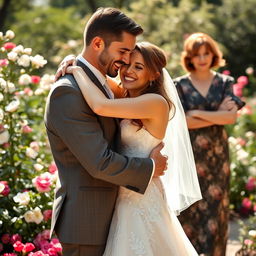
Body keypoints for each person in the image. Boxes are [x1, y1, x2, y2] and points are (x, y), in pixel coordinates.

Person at [44, 8, 168, 256]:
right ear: (98, 43)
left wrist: (75, 63)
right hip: (87, 222)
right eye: (122, 52)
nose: (125, 62)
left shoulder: (104, 85)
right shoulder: (68, 92)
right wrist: (151, 167)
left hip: (119, 213)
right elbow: (99, 163)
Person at [61, 41, 202, 255]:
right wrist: (72, 59)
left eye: (138, 67)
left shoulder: (155, 102)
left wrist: (75, 70)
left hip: (141, 195)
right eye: (126, 64)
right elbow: (98, 79)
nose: (128, 71)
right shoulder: (127, 94)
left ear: (154, 75)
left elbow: (100, 105)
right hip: (123, 187)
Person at [173, 32, 245, 256]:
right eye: (197, 54)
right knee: (189, 210)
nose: (202, 58)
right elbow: (181, 122)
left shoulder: (225, 83)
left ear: (213, 55)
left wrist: (196, 113)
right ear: (190, 57)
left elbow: (230, 118)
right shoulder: (180, 85)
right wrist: (215, 114)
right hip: (189, 155)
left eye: (206, 53)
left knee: (216, 210)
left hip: (217, 158)